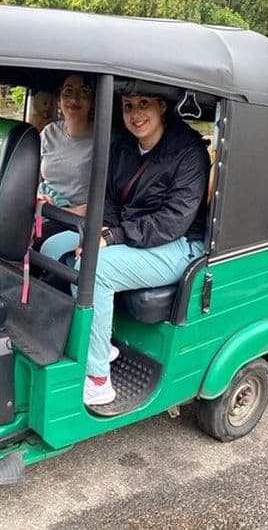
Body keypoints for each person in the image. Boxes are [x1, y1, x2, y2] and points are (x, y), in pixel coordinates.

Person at [41, 92, 210, 406]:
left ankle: (98, 379)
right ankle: (94, 344)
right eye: (128, 106)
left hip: (178, 244)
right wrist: (103, 230)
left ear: (162, 106)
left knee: (96, 268)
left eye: (144, 104)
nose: (135, 114)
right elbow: (110, 199)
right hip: (133, 233)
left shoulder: (189, 153)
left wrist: (113, 237)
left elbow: (172, 221)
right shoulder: (123, 146)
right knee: (53, 246)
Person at [38, 74, 95, 217]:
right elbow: (32, 179)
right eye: (68, 91)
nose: (74, 99)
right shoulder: (49, 132)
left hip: (77, 219)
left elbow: (109, 201)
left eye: (83, 92)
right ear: (59, 100)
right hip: (43, 210)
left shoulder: (106, 139)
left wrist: (64, 213)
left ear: (93, 101)